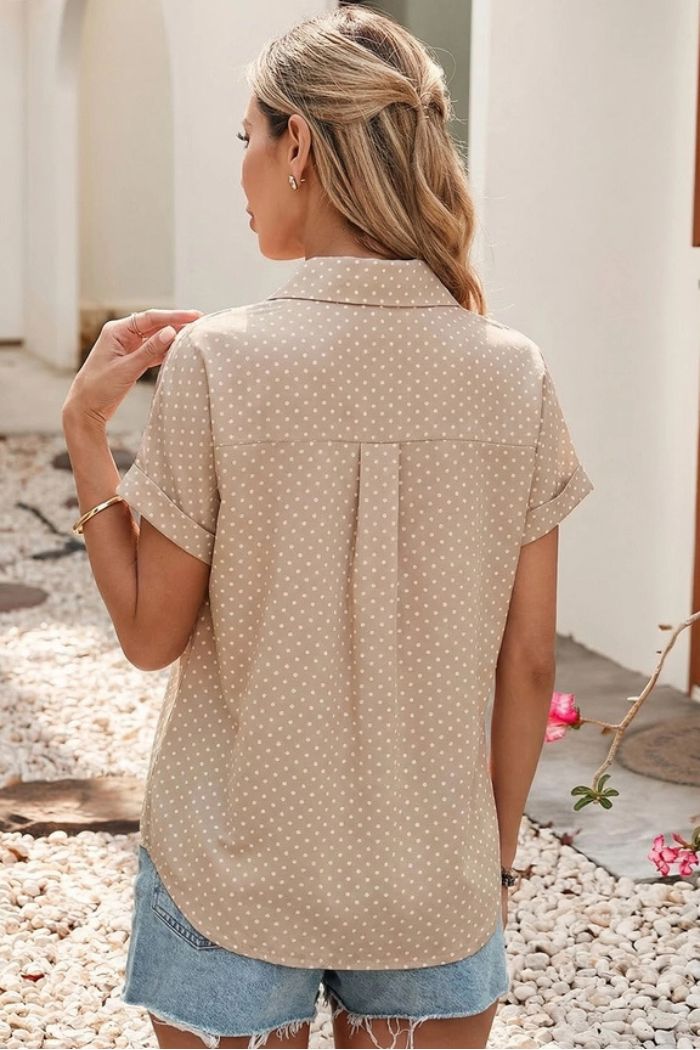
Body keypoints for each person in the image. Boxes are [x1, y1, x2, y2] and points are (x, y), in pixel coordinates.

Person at [62, 6, 594, 1049]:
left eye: (246, 140)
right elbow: (528, 663)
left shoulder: (219, 361)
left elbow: (147, 634)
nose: (243, 171)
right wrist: (483, 870)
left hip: (232, 869)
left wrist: (86, 428)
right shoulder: (512, 373)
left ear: (296, 144)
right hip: (431, 881)